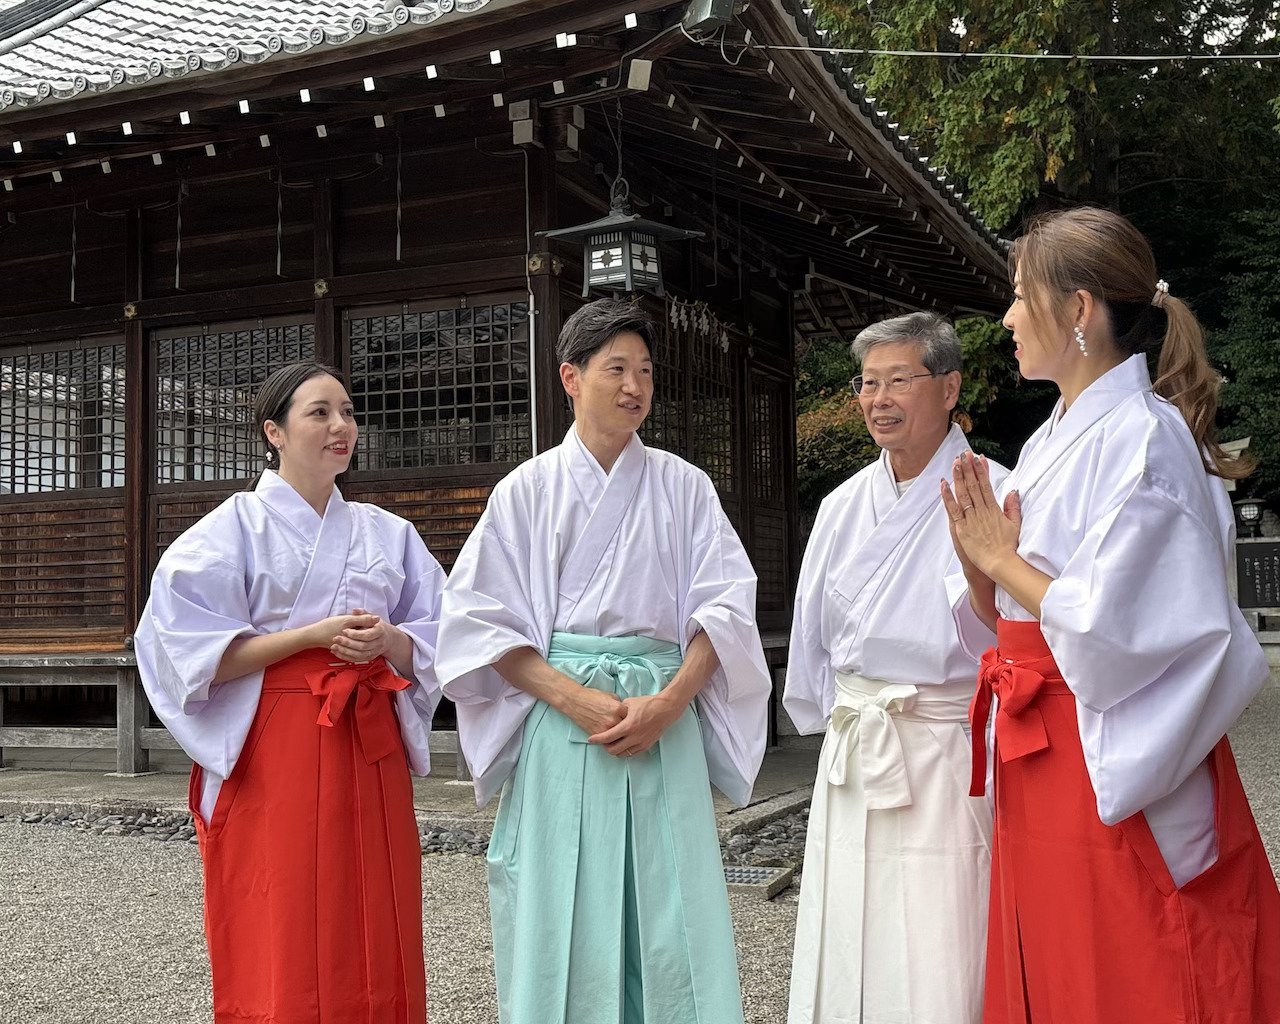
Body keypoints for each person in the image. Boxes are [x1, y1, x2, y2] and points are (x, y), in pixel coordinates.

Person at [942, 206, 1280, 1023]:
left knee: (1134, 967)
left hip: (1102, 747)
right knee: (1055, 965)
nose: (1009, 316)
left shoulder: (1144, 436)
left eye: (1022, 296)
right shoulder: (1055, 434)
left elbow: (1119, 631)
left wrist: (1000, 560)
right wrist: (979, 562)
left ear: (1080, 310)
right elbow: (1019, 604)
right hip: (1045, 742)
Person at [436, 297, 771, 1024]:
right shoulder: (525, 492)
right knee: (563, 904)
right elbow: (477, 625)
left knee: (669, 905)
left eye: (645, 371)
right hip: (565, 724)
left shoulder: (685, 486)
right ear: (570, 377)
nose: (634, 386)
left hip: (660, 713)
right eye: (616, 368)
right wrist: (571, 696)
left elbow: (724, 606)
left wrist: (674, 699)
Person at [136, 362, 442, 1024]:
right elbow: (188, 652)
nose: (341, 427)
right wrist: (312, 637)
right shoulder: (228, 531)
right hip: (275, 743)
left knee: (373, 904)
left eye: (349, 412)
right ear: (273, 432)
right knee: (281, 910)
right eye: (320, 413)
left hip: (367, 739)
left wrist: (391, 641)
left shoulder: (388, 533)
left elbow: (445, 633)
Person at [784, 312, 1005, 1024]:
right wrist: (825, 715)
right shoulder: (843, 504)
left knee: (944, 920)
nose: (879, 399)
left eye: (898, 381)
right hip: (859, 737)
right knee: (849, 912)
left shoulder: (996, 490)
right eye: (868, 383)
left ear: (948, 388)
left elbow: (1015, 630)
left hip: (944, 741)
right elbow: (813, 630)